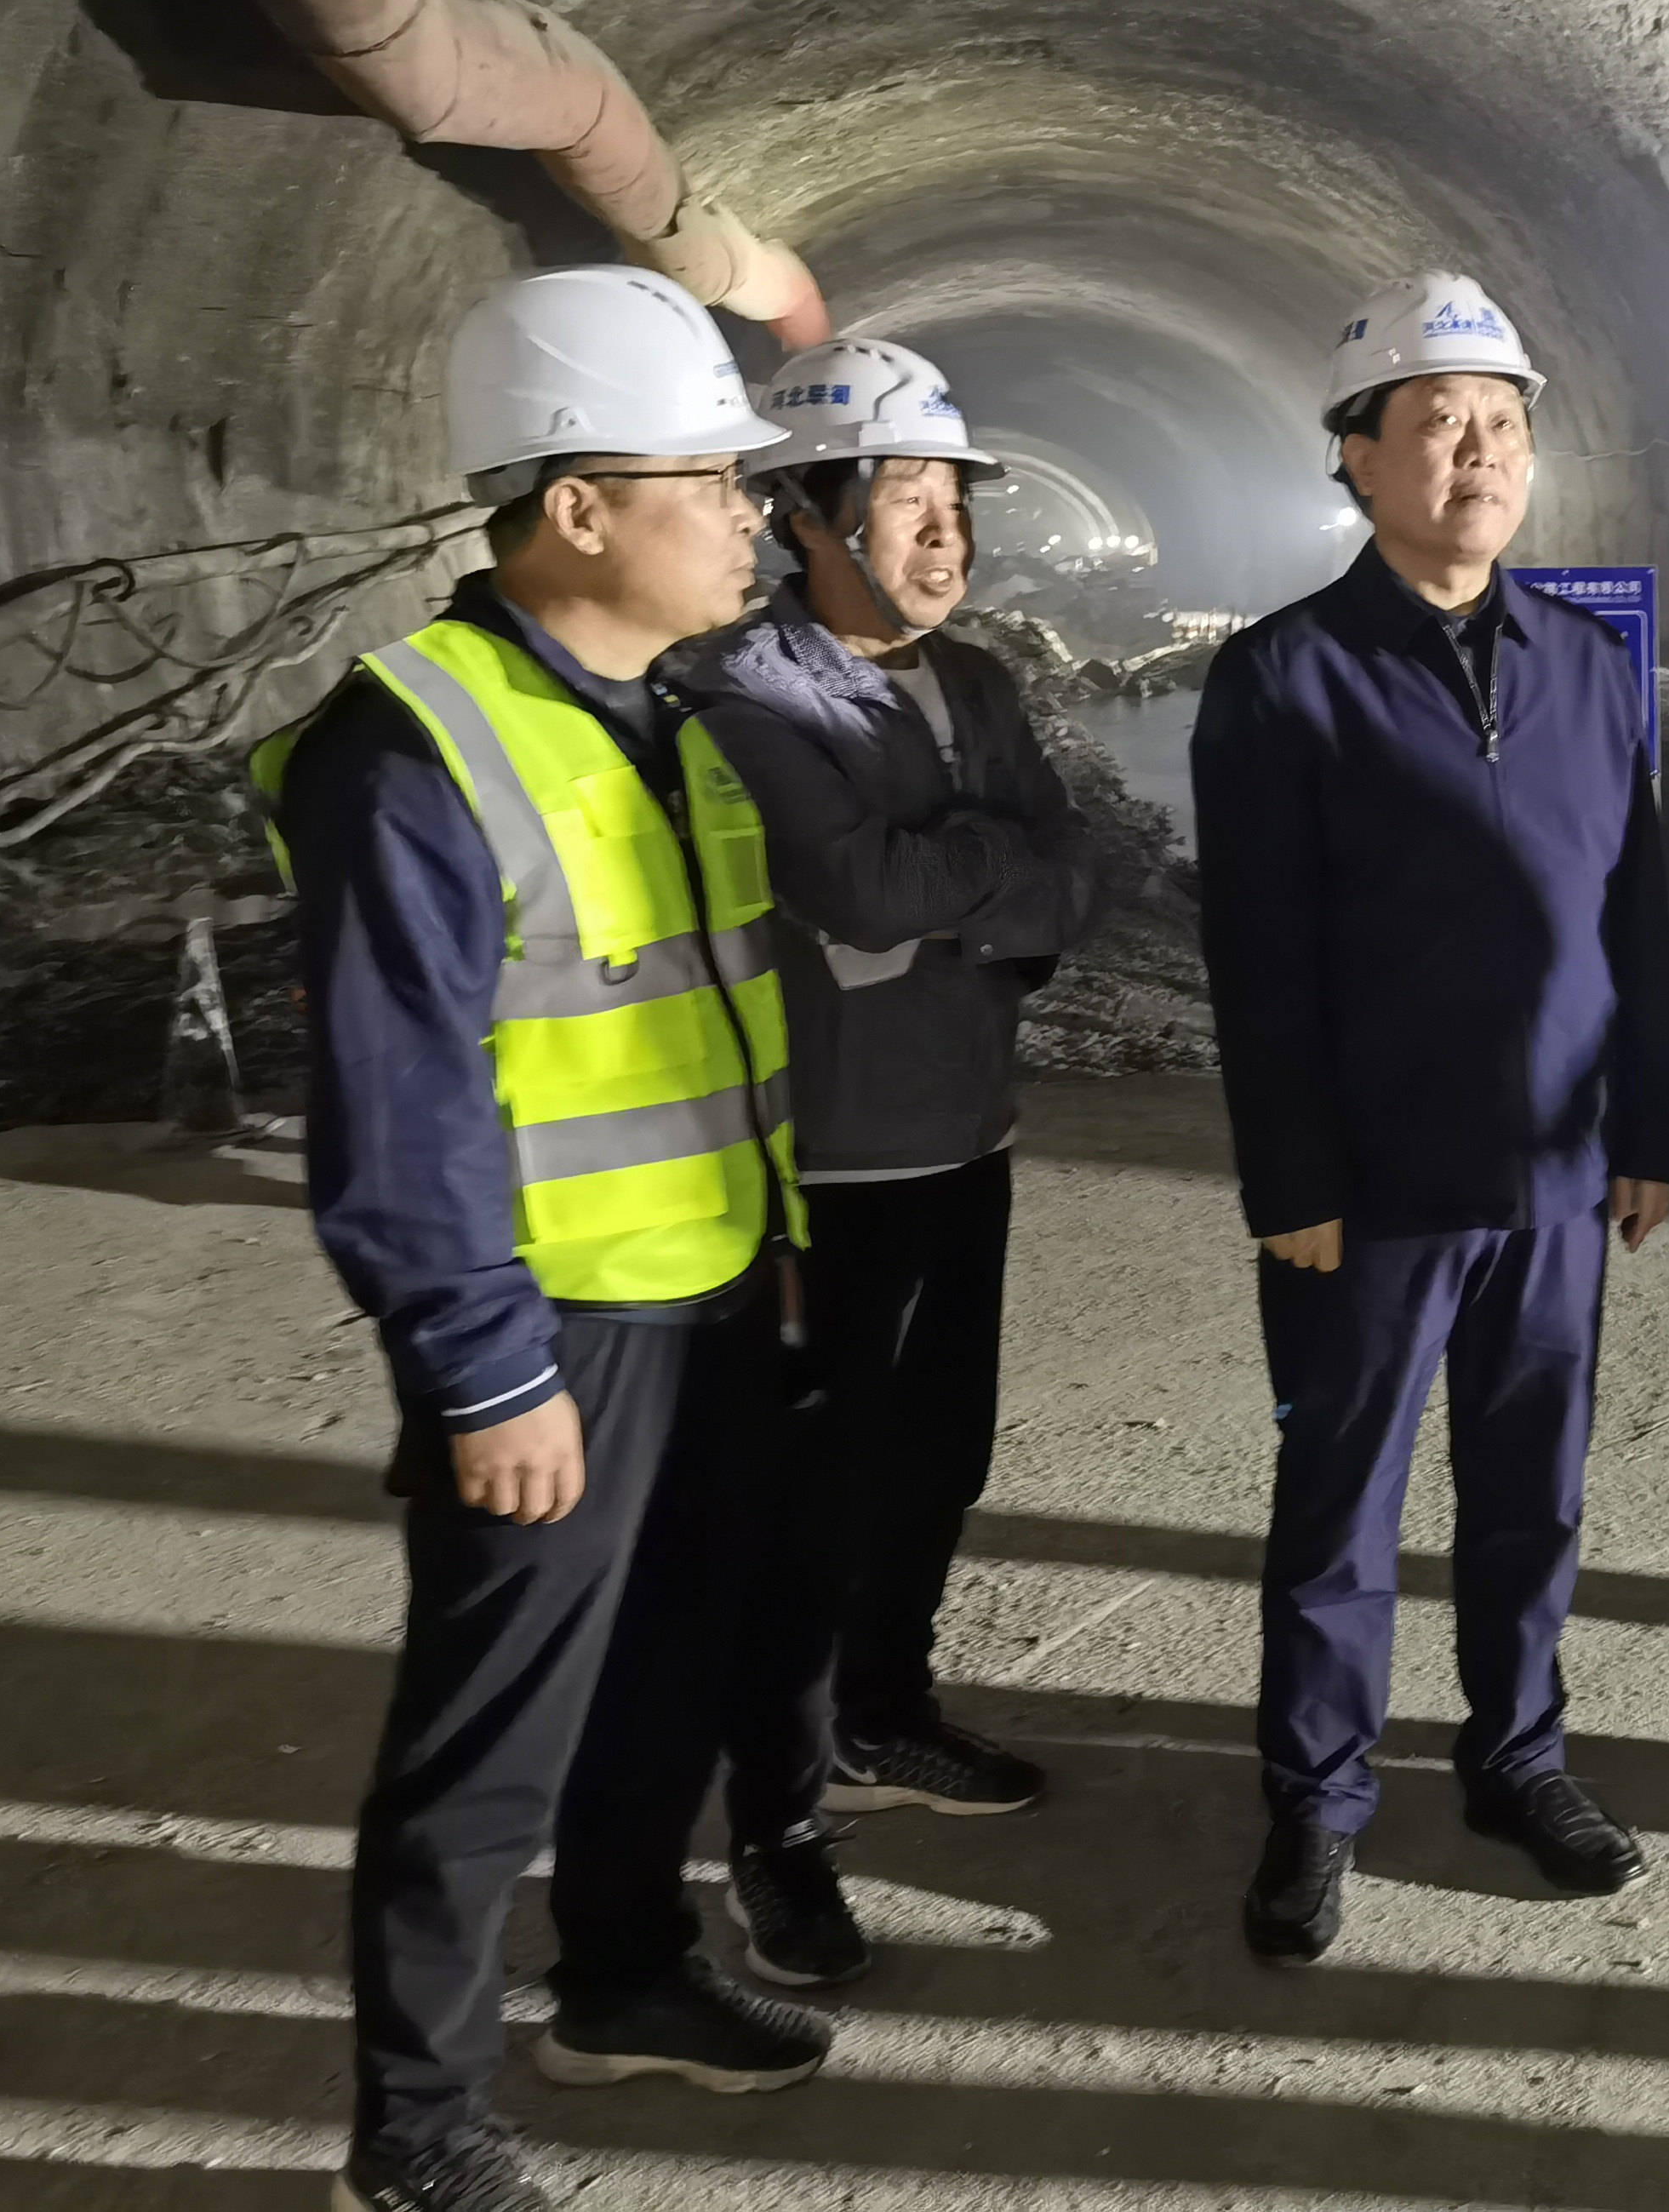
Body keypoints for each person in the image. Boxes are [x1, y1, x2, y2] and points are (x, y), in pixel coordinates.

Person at [256, 266, 832, 2212]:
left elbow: (699, 1030)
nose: (752, 518)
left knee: (670, 1672)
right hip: (551, 1333)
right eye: (714, 483)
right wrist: (482, 1366)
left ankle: (627, 1977)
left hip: (707, 1293)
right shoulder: (411, 748)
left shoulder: (665, 720)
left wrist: (770, 1246)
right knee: (490, 1737)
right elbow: (398, 1102)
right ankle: (417, 2129)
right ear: (577, 507)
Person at [1192, 271, 1669, 1966]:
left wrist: (1647, 1130)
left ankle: (1516, 1758)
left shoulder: (1589, 667)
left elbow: (1635, 918)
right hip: (1373, 1186)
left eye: (1502, 425)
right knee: (1341, 1507)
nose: (1478, 452)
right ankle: (1317, 1801)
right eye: (1436, 421)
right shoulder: (1285, 676)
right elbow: (1256, 960)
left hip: (1556, 1173)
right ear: (1356, 455)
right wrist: (1292, 1177)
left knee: (1530, 1491)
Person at [672, 336, 1093, 1991]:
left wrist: (954, 882)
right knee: (808, 1504)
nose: (942, 534)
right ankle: (774, 1832)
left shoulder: (974, 683)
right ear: (805, 516)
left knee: (938, 1456)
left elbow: (1069, 876)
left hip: (966, 1133)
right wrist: (981, 879)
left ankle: (884, 1711)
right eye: (905, 498)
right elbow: (857, 891)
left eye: (953, 502)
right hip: (827, 1171)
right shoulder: (741, 691)